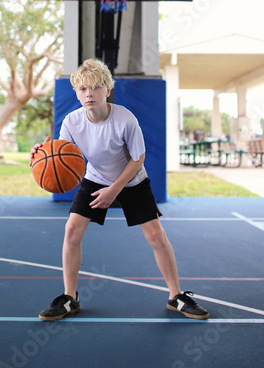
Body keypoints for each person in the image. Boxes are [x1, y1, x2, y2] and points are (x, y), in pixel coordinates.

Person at [30, 58, 209, 321]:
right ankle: (70, 298)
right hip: (95, 178)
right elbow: (64, 157)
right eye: (82, 89)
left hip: (132, 178)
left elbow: (138, 159)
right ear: (77, 93)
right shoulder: (71, 121)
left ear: (108, 90)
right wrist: (41, 155)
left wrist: (114, 189)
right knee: (71, 230)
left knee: (156, 236)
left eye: (95, 87)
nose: (89, 93)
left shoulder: (125, 119)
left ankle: (176, 296)